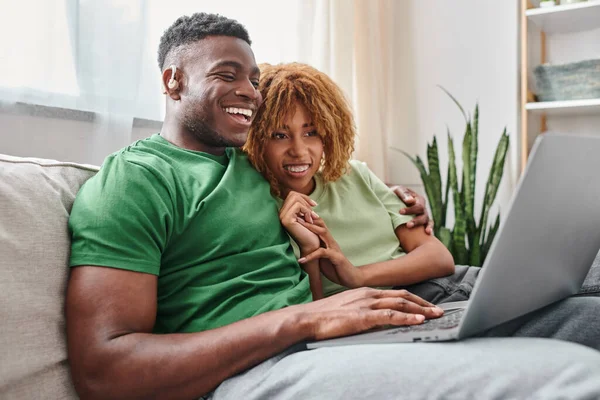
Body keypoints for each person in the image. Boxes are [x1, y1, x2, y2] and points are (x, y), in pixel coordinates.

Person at [65, 12, 600, 400]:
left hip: (345, 339)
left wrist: (405, 202)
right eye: (228, 74)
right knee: (566, 375)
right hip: (252, 372)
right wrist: (304, 320)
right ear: (172, 80)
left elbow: (325, 169)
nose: (249, 92)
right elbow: (105, 371)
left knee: (587, 322)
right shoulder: (134, 179)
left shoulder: (257, 167)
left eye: (254, 80)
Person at [244, 62, 455, 300]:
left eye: (310, 132)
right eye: (280, 136)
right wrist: (310, 247)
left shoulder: (355, 174)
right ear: (256, 139)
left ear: (329, 133)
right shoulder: (258, 211)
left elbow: (439, 257)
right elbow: (312, 309)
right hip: (373, 311)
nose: (299, 151)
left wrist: (358, 276)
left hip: (436, 287)